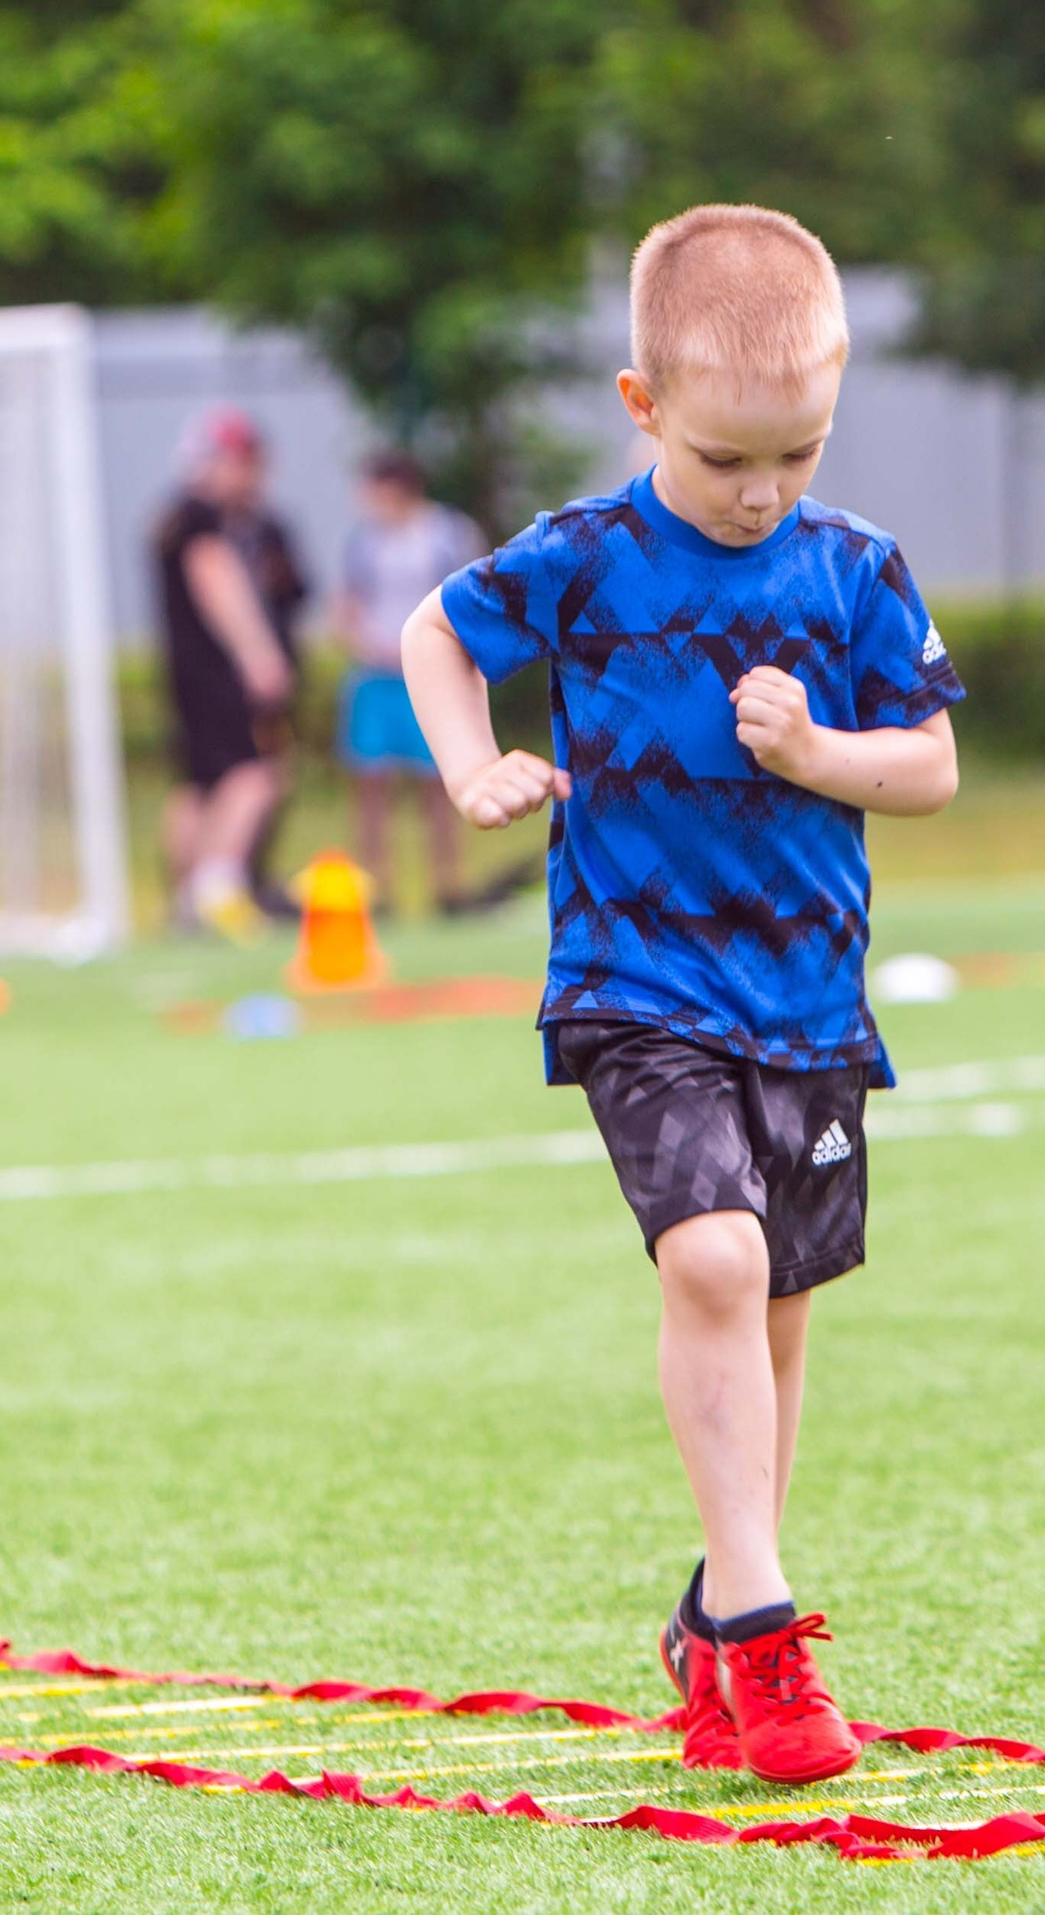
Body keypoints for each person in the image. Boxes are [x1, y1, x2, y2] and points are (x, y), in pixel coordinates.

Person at [402, 204, 965, 1785]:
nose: (764, 490)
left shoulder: (858, 569)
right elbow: (432, 635)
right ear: (644, 405)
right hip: (637, 980)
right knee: (713, 1259)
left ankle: (715, 1618)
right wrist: (471, 764)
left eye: (798, 450)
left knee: (775, 1305)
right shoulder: (585, 554)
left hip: (807, 996)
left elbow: (927, 764)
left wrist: (819, 754)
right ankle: (770, 1630)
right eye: (728, 459)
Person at [153, 407, 307, 941]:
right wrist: (258, 654)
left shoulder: (190, 518)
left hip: (186, 674)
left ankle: (187, 899)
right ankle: (217, 891)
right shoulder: (200, 519)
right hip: (219, 674)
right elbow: (216, 579)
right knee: (253, 774)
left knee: (199, 784)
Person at [334, 450, 485, 914]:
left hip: (429, 674)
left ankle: (448, 883)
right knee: (371, 784)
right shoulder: (365, 540)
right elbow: (348, 602)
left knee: (438, 781)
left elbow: (473, 596)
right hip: (375, 674)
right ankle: (375, 887)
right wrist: (360, 641)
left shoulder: (446, 534)